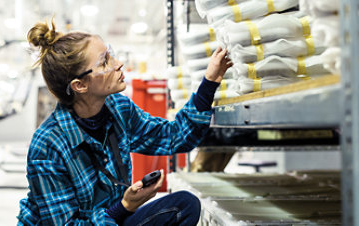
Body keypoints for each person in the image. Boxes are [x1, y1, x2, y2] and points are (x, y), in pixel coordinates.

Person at [17, 19, 233, 226]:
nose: (118, 64)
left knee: (184, 205)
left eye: (110, 54)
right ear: (80, 85)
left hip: (112, 220)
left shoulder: (118, 108)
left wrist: (210, 81)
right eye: (104, 62)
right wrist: (124, 206)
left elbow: (174, 137)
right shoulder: (48, 144)